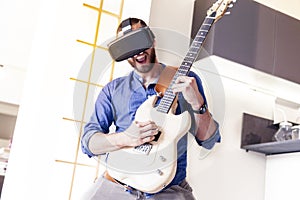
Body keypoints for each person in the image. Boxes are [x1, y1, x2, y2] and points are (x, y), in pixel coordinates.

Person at [81, 17, 221, 200]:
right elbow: (88, 143)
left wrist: (198, 104)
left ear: (152, 40)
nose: (137, 52)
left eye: (139, 41)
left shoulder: (186, 79)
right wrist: (126, 137)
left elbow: (208, 141)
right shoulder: (113, 90)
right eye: (128, 46)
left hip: (168, 190)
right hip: (118, 184)